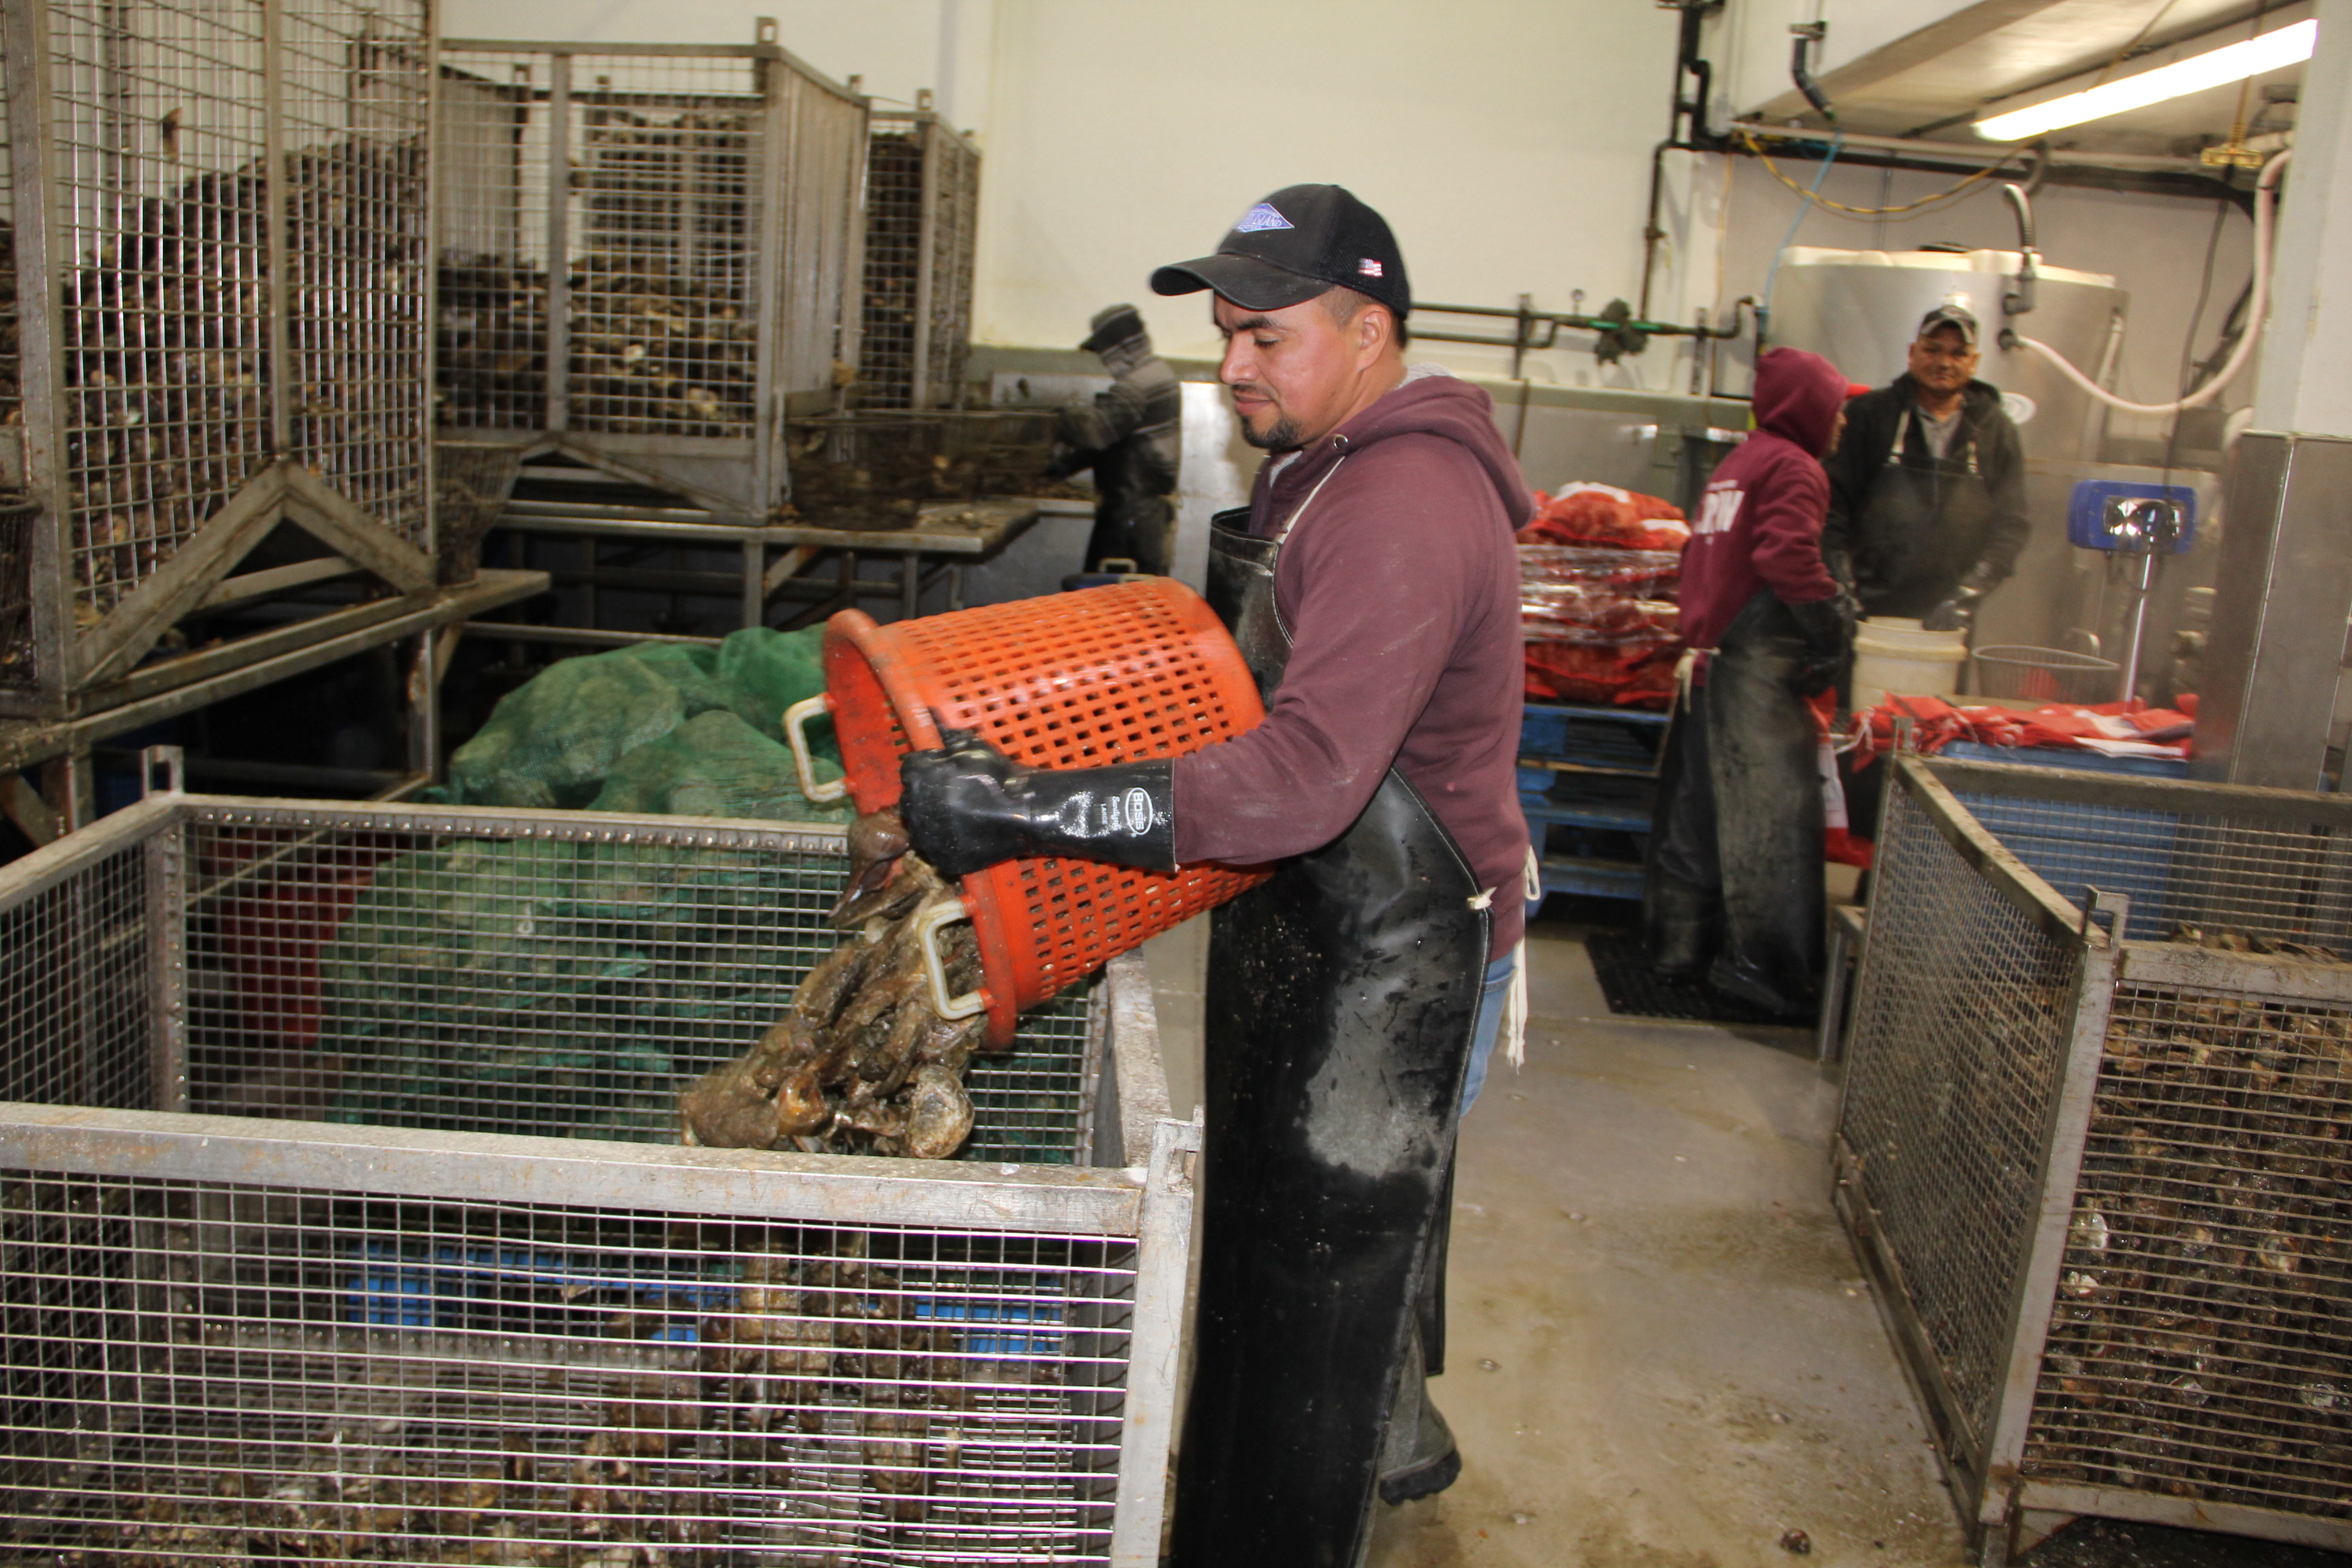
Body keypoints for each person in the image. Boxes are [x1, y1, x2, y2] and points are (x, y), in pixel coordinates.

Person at [895, 183, 1530, 1566]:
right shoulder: (1329, 468)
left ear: (1371, 332)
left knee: (1311, 1300)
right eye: (1227, 335)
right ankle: (1397, 1440)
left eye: (1270, 337)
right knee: (1317, 1250)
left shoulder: (1399, 506)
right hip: (1324, 909)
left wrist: (1031, 809)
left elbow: (1304, 780)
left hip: (1394, 955)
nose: (1235, 366)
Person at [1646, 346, 1855, 1019]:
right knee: (1771, 827)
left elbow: (1701, 557)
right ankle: (1768, 975)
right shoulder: (1794, 466)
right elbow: (1785, 553)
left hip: (1706, 662)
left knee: (1697, 817)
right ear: (1810, 408)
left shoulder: (1735, 464)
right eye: (1839, 409)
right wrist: (1829, 630)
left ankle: (1676, 952)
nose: (1844, 423)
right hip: (1754, 672)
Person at [1820, 303, 2031, 632]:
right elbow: (1832, 509)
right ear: (1912, 354)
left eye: (1958, 354)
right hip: (1869, 614)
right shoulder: (1869, 415)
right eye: (1932, 350)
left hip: (1950, 623)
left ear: (1974, 363)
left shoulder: (1997, 431)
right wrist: (1843, 588)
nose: (1944, 363)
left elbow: (2012, 526)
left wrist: (1969, 595)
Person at [1047, 302, 1183, 575]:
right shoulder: (1159, 372)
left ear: (1118, 347)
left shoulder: (1135, 385)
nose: (1105, 362)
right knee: (1141, 601)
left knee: (1111, 602)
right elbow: (1115, 441)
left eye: (1104, 353)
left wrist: (1057, 418)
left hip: (1130, 516)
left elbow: (1096, 434)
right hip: (1148, 511)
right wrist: (1059, 469)